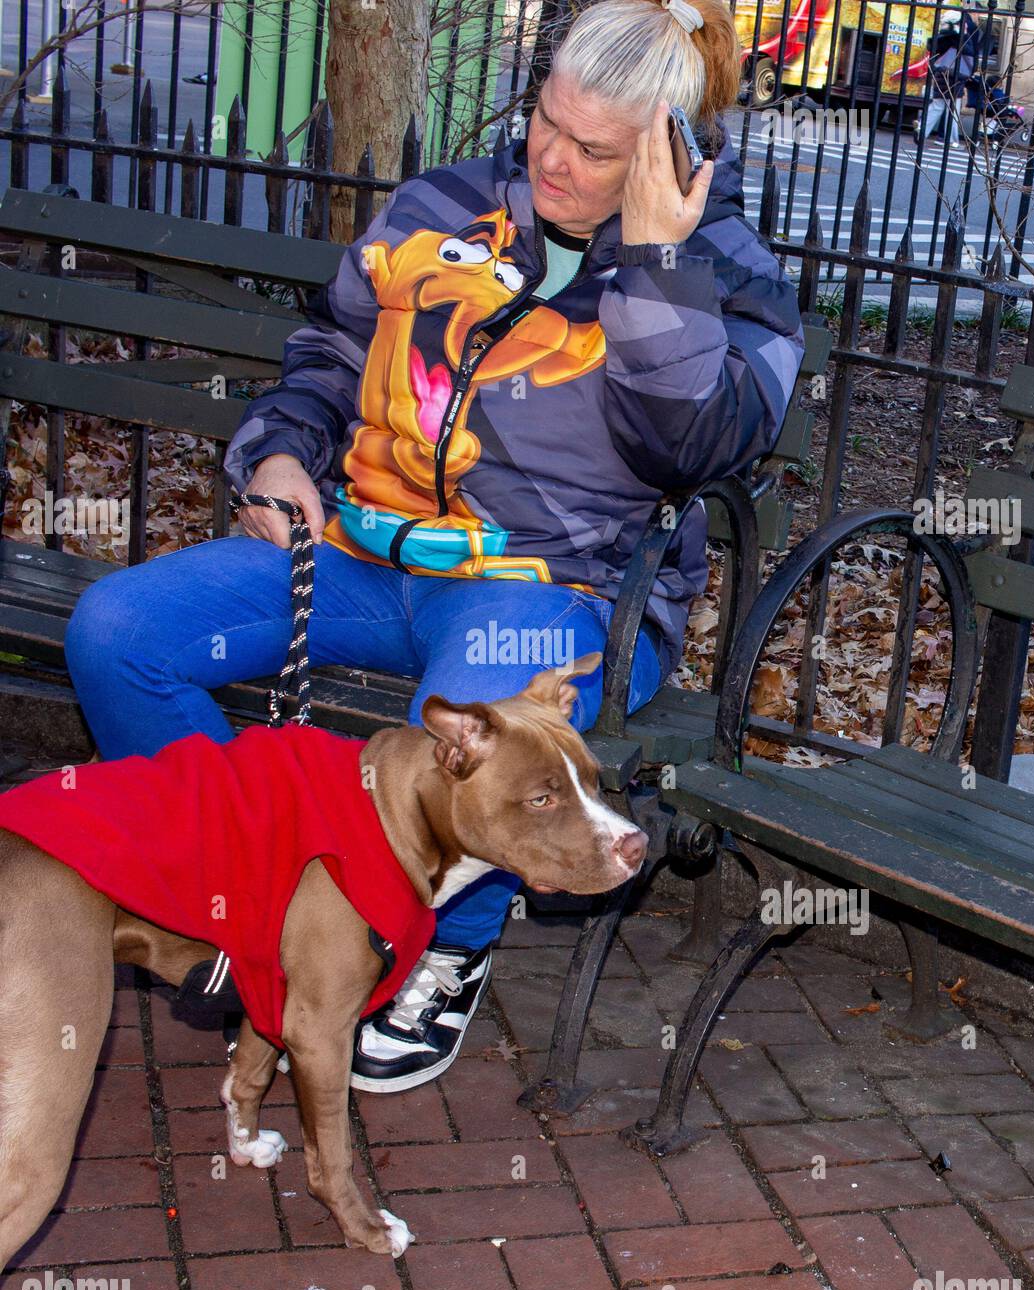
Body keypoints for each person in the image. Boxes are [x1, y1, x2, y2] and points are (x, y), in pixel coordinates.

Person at [64, 0, 805, 1093]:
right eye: (546, 120)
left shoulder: (730, 277)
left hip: (549, 592)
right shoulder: (444, 204)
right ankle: (247, 903)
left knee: (455, 739)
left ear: (664, 152)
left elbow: (689, 443)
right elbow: (330, 344)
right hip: (364, 556)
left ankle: (442, 953)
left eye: (594, 150)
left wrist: (656, 259)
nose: (550, 158)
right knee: (118, 631)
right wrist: (275, 454)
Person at [917, 8, 984, 147]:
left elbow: (932, 46)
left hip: (941, 73)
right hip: (956, 76)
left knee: (937, 105)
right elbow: (970, 56)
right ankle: (952, 139)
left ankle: (922, 130)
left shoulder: (944, 37)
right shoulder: (962, 38)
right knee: (953, 109)